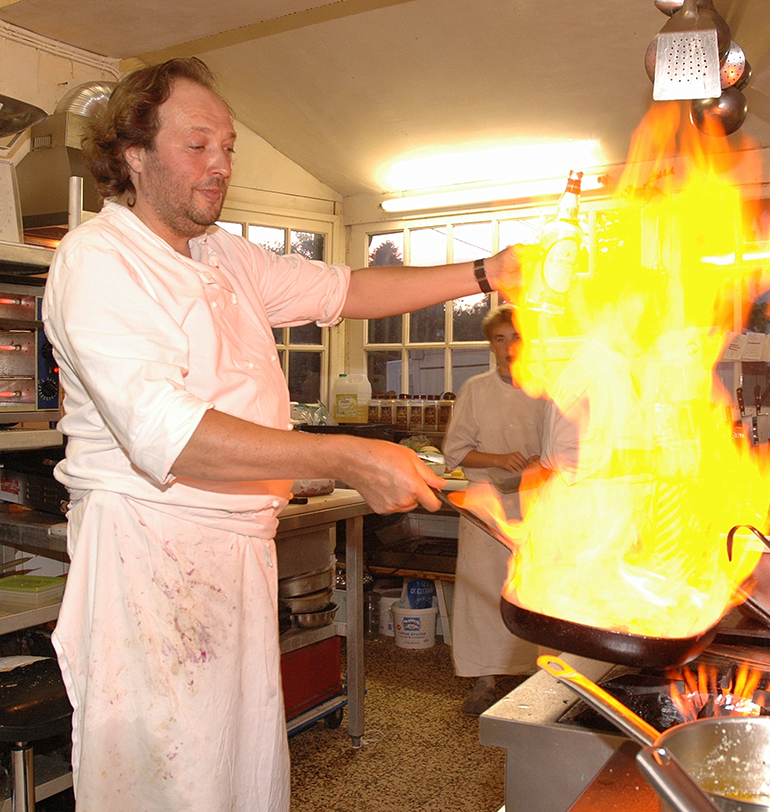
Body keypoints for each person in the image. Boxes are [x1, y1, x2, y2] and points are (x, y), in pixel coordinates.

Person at [42, 57, 523, 811]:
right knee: (169, 784)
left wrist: (488, 271)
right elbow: (171, 439)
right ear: (132, 153)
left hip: (234, 550)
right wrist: (344, 455)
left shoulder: (221, 255)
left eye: (228, 148)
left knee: (239, 775)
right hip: (147, 555)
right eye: (198, 146)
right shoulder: (99, 263)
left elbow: (347, 289)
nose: (221, 165)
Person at [441, 304, 547, 715]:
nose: (508, 347)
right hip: (486, 506)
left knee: (532, 594)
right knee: (482, 593)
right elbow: (456, 450)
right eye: (499, 339)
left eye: (515, 337)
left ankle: (535, 678)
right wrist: (499, 459)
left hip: (535, 505)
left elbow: (561, 450)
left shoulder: (546, 392)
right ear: (490, 346)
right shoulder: (476, 390)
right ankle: (484, 680)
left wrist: (540, 465)